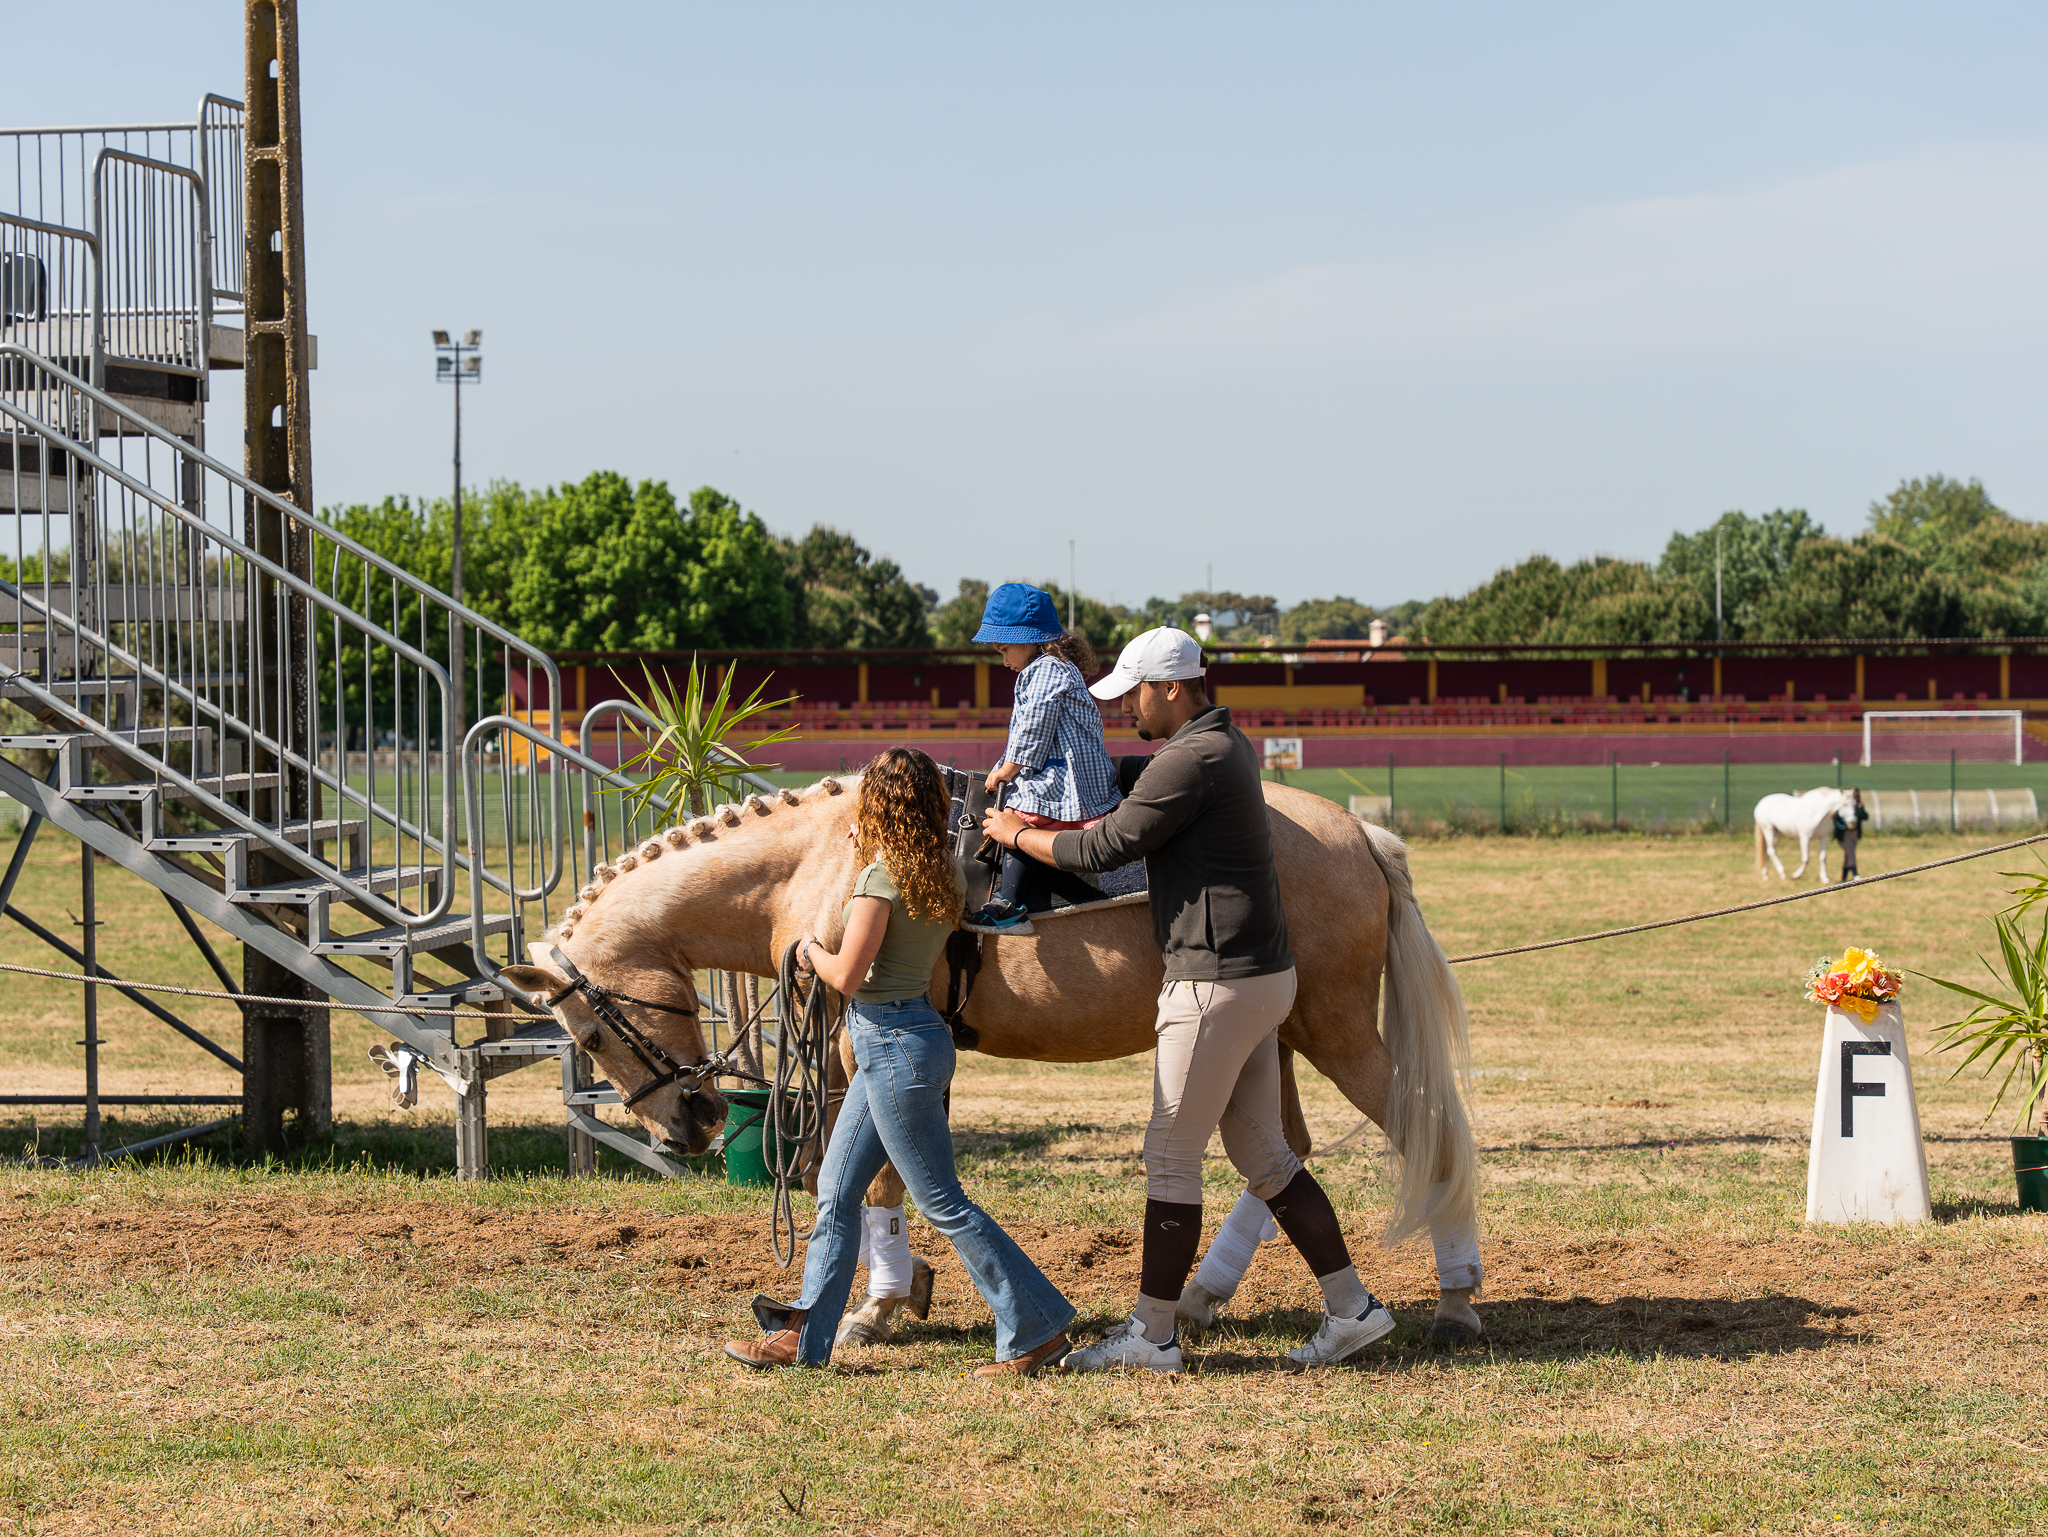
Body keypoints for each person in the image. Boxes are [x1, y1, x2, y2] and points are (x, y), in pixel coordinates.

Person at [982, 628, 1395, 1373]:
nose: (1127, 709)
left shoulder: (1188, 759)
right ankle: (1352, 1309)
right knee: (1264, 1154)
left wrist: (1017, 831)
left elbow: (1105, 848)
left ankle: (1151, 1334)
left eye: (1134, 694)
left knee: (1170, 1154)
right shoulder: (1225, 745)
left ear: (1170, 688)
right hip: (1257, 977)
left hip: (1213, 981)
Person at [725, 747, 1075, 1376]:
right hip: (911, 1036)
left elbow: (850, 975)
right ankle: (803, 1336)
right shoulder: (942, 869)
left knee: (942, 1202)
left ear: (877, 807)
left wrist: (809, 951)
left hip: (888, 1044)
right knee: (835, 1192)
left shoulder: (879, 879)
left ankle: (1037, 1326)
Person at [967, 582, 1123, 930]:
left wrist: (1008, 768)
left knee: (1015, 816)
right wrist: (1003, 765)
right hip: (1068, 771)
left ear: (1029, 638)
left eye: (1005, 649)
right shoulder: (1051, 668)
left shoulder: (1044, 670)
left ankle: (1009, 904)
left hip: (1068, 778)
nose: (1004, 660)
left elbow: (1033, 725)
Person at [1834, 787, 1869, 881]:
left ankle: (1843, 878)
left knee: (1847, 855)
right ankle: (1855, 874)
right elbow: (1836, 820)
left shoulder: (1856, 806)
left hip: (1854, 834)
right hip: (1844, 834)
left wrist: (1860, 807)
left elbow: (1865, 816)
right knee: (1851, 853)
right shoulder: (1842, 806)